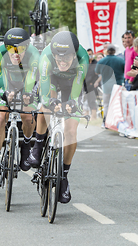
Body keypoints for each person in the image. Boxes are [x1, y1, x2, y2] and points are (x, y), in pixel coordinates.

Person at [27, 31, 89, 204]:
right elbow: (45, 89)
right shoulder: (46, 57)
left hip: (71, 85)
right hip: (52, 81)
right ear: (53, 54)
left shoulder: (83, 58)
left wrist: (71, 104)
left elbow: (77, 89)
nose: (62, 62)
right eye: (58, 58)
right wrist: (50, 102)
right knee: (45, 107)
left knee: (71, 131)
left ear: (74, 55)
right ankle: (38, 147)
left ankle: (64, 176)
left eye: (66, 59)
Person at [0, 28, 40, 190]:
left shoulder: (34, 55)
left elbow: (32, 77)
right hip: (6, 84)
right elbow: (0, 78)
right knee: (1, 117)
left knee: (28, 115)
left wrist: (29, 93)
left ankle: (26, 146)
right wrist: (5, 93)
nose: (16, 53)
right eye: (12, 49)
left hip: (26, 84)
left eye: (21, 49)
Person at [95, 44, 125, 128]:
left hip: (106, 86)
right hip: (118, 86)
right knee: (118, 104)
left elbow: (96, 72)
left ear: (107, 51)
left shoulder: (102, 61)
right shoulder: (121, 60)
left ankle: (105, 122)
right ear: (115, 51)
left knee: (106, 104)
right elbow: (125, 70)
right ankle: (118, 123)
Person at [83, 48, 99, 119]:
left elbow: (97, 73)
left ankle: (94, 117)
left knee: (92, 101)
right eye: (88, 54)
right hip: (85, 85)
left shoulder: (95, 63)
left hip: (92, 85)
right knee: (86, 101)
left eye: (90, 54)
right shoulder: (85, 63)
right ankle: (87, 116)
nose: (89, 56)